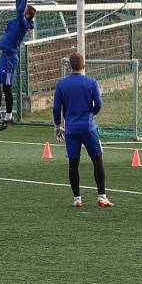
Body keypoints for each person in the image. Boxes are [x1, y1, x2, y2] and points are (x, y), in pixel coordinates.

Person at [53, 52, 113, 208]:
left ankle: (77, 199)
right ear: (83, 65)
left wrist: (58, 125)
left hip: (71, 129)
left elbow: (55, 107)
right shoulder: (91, 82)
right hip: (88, 127)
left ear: (70, 66)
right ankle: (102, 196)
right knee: (97, 160)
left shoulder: (61, 84)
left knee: (73, 163)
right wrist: (90, 114)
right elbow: (98, 104)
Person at [0, 0, 37, 131]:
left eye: (26, 8)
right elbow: (19, 5)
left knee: (7, 87)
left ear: (27, 14)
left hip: (10, 59)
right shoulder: (21, 18)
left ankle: (9, 117)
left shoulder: (23, 23)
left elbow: (20, 9)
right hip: (4, 56)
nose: (23, 7)